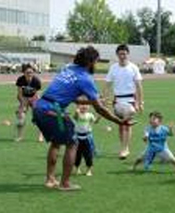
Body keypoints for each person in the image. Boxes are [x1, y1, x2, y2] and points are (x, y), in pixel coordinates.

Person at [32, 46, 134, 191]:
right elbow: (99, 109)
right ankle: (65, 183)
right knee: (73, 143)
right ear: (90, 62)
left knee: (55, 143)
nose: (96, 65)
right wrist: (119, 121)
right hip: (52, 111)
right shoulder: (85, 79)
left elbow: (73, 98)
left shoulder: (69, 68)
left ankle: (50, 179)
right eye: (96, 61)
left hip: (39, 108)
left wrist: (92, 101)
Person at [104, 44, 144, 159]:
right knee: (121, 125)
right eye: (120, 54)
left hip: (130, 100)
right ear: (117, 55)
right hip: (117, 101)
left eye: (124, 54)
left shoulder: (133, 67)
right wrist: (104, 99)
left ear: (128, 54)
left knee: (127, 121)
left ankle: (125, 149)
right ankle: (123, 147)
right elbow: (107, 85)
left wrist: (140, 102)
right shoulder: (113, 68)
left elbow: (139, 86)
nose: (122, 56)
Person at [15, 63, 43, 142]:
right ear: (24, 73)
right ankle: (19, 136)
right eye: (27, 72)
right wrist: (22, 104)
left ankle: (40, 136)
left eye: (31, 72)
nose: (29, 74)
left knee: (38, 118)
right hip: (24, 98)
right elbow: (19, 94)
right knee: (20, 117)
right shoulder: (20, 79)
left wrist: (35, 105)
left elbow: (38, 94)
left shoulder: (36, 81)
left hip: (34, 98)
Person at [73, 101, 100, 177]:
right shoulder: (77, 114)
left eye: (86, 104)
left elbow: (95, 122)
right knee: (77, 154)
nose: (84, 106)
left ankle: (88, 170)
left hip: (87, 137)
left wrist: (99, 117)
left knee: (88, 154)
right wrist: (77, 111)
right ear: (78, 106)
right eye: (81, 104)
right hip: (78, 137)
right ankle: (77, 168)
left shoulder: (90, 115)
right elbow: (76, 116)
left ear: (89, 106)